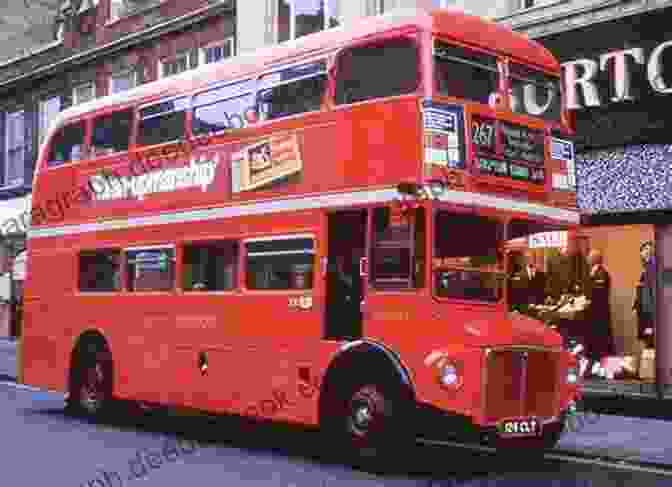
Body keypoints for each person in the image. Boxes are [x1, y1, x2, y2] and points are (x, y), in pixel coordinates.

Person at [583, 250, 615, 370]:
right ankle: (593, 369)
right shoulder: (592, 272)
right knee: (594, 343)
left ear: (596, 259)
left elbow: (598, 293)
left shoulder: (602, 273)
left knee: (603, 342)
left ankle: (609, 369)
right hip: (593, 314)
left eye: (589, 257)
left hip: (599, 314)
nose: (587, 259)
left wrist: (587, 300)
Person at [634, 241, 656, 349]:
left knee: (651, 341)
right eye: (643, 249)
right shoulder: (646, 267)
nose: (644, 252)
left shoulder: (653, 266)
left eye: (646, 249)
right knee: (648, 341)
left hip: (650, 312)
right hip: (645, 311)